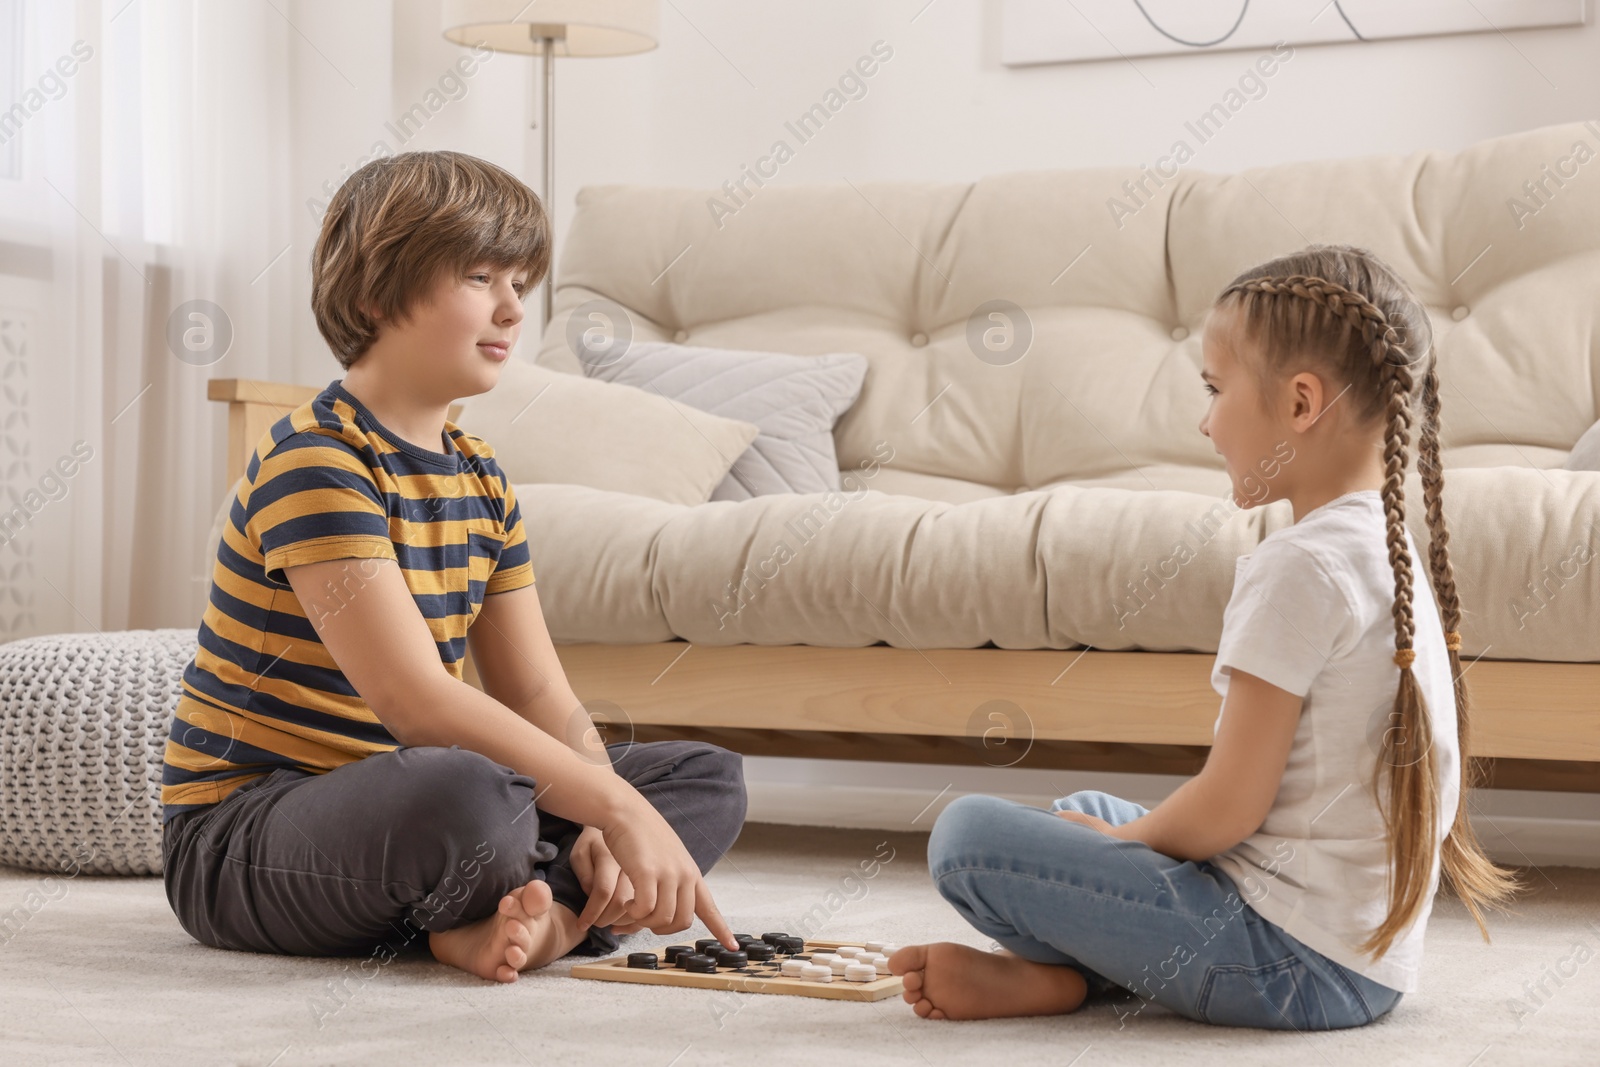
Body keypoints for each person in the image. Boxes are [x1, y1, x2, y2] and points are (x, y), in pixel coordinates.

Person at [889, 244, 1524, 1029]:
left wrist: (1127, 843)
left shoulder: (1301, 566)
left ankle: (1076, 978)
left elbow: (1227, 809)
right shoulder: (1386, 553)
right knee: (1083, 807)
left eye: (1217, 389)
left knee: (968, 837)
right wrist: (1119, 835)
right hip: (1364, 966)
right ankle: (1067, 979)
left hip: (1288, 963)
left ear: (1301, 404)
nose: (1205, 420)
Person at [160, 150, 747, 984]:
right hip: (243, 838)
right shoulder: (315, 460)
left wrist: (608, 806)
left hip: (414, 804)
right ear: (375, 293)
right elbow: (416, 700)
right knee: (475, 796)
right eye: (479, 276)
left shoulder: (479, 474)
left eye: (520, 281)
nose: (513, 308)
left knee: (701, 777)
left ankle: (534, 919)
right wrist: (610, 808)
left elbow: (538, 694)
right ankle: (529, 904)